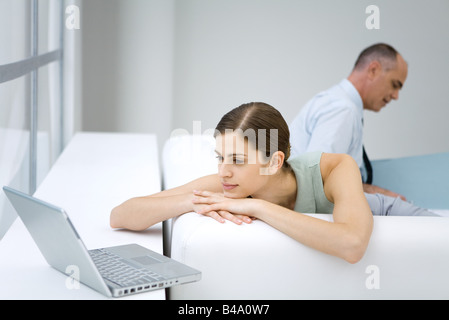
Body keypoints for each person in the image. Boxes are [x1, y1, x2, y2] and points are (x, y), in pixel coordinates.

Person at [110, 102, 435, 265]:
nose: (224, 171)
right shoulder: (226, 184)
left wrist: (257, 206)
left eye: (237, 160)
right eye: (219, 157)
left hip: (390, 212)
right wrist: (191, 202)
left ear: (274, 161)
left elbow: (351, 245)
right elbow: (121, 215)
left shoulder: (336, 168)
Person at [290, 43, 408, 199]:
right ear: (373, 70)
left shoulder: (338, 102)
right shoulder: (343, 110)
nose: (395, 96)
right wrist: (377, 193)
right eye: (394, 85)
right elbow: (317, 180)